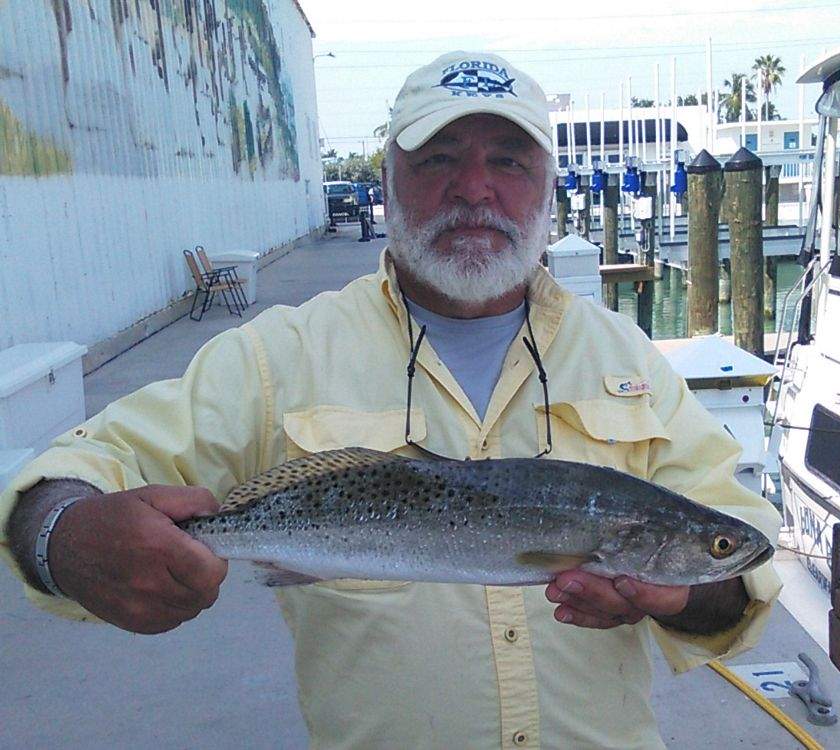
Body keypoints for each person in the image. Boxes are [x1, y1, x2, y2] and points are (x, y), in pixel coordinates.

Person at [0, 51, 781, 749]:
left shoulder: (627, 358)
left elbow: (739, 558)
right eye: (439, 158)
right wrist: (65, 536)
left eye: (509, 161)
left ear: (549, 189)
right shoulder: (281, 354)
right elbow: (76, 471)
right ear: (387, 183)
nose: (474, 189)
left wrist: (684, 594)